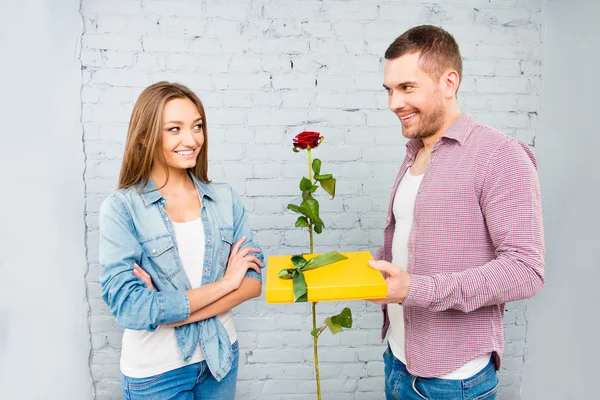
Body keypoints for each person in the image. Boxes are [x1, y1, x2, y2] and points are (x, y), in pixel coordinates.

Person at [368, 25, 545, 400]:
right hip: (397, 361)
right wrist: (363, 270)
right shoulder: (415, 152)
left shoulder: (500, 156)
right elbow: (413, 245)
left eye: (407, 88)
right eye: (389, 89)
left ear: (449, 82)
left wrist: (415, 289)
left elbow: (525, 270)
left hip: (453, 381)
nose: (393, 103)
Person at [99, 81, 264, 399]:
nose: (191, 140)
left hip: (220, 358)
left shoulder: (224, 198)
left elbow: (254, 281)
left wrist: (173, 313)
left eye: (197, 126)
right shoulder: (121, 208)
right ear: (146, 136)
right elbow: (132, 309)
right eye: (174, 129)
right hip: (157, 374)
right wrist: (228, 283)